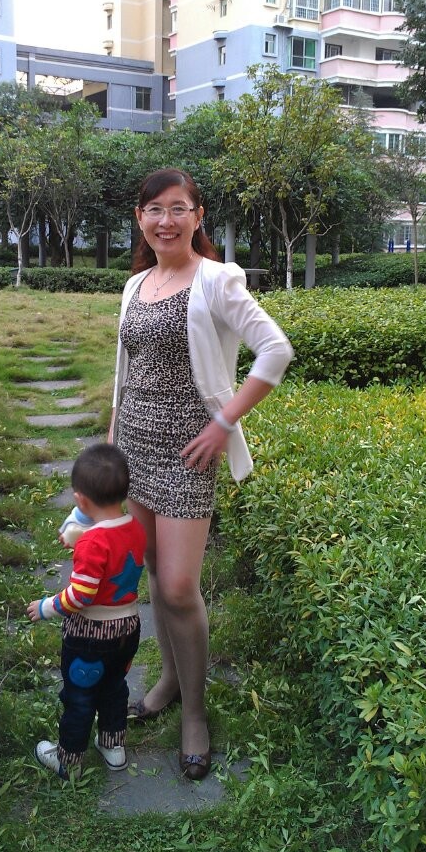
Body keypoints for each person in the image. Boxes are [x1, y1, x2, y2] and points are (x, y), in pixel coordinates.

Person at [109, 168, 294, 781]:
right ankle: (167, 679)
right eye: (154, 209)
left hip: (188, 453)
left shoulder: (216, 279)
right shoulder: (136, 284)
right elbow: (127, 371)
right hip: (135, 445)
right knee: (153, 573)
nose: (166, 221)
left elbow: (276, 350)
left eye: (178, 208)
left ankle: (195, 712)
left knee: (180, 585)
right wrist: (112, 442)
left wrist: (224, 423)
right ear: (140, 218)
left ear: (198, 216)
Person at [26, 443, 146, 780]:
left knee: (79, 697)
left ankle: (69, 761)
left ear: (80, 500)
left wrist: (46, 607)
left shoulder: (92, 543)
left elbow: (80, 596)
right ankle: (113, 746)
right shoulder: (135, 527)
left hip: (91, 636)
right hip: (129, 627)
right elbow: (112, 553)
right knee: (114, 687)